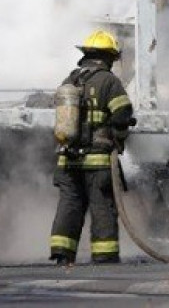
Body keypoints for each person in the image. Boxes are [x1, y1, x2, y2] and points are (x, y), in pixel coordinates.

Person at [49, 30, 134, 266]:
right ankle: (104, 255)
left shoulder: (70, 80)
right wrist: (119, 134)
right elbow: (122, 113)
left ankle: (62, 251)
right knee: (102, 207)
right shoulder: (109, 81)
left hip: (67, 159)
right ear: (108, 57)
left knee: (70, 204)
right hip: (97, 162)